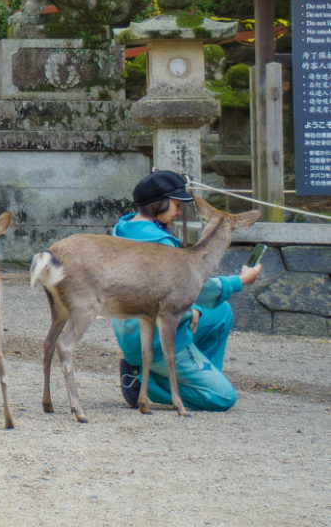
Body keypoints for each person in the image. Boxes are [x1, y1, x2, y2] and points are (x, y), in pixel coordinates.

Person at [110, 170, 260, 412]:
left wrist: (195, 310)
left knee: (220, 313)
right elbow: (196, 286)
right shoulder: (161, 245)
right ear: (160, 202)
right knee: (223, 397)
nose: (179, 212)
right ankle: (142, 384)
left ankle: (187, 378)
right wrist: (240, 281)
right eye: (176, 205)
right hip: (157, 338)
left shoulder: (123, 228)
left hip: (130, 329)